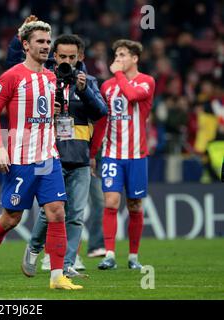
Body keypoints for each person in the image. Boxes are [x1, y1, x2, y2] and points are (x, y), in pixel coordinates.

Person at [0, 20, 82, 290]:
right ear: (26, 45)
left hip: (48, 156)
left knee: (56, 212)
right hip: (19, 157)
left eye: (47, 41)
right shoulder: (11, 76)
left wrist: (52, 116)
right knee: (11, 218)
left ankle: (57, 277)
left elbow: (45, 112)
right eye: (40, 41)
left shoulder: (51, 77)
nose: (45, 45)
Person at [20, 34, 107, 278]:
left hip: (79, 157)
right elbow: (27, 115)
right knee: (51, 213)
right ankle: (34, 248)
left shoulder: (88, 81)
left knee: (76, 215)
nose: (67, 61)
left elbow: (101, 112)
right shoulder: (44, 81)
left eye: (72, 56)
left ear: (80, 57)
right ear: (54, 57)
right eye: (62, 56)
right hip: (51, 154)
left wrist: (85, 90)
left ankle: (66, 264)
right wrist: (49, 110)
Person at [89, 39, 155, 270]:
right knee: (111, 202)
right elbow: (102, 121)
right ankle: (109, 254)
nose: (118, 59)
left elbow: (133, 96)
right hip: (112, 154)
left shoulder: (147, 81)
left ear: (135, 58)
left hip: (137, 156)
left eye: (123, 55)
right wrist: (92, 152)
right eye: (116, 55)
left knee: (135, 205)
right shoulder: (106, 87)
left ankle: (133, 257)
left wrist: (118, 75)